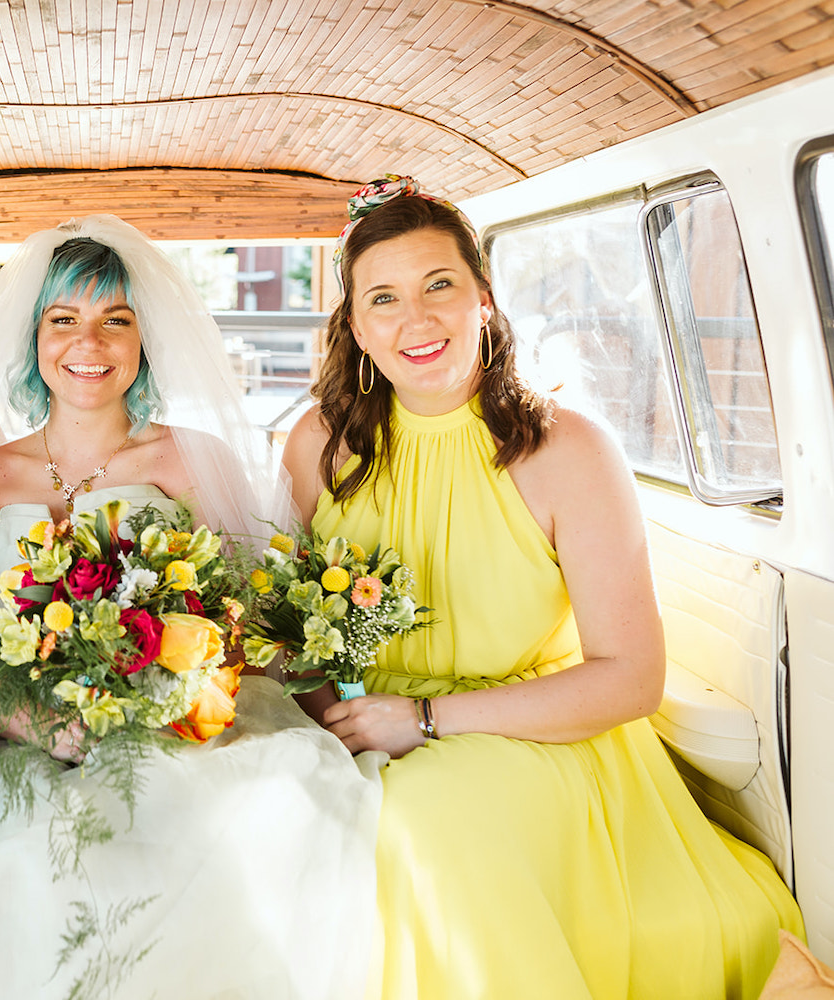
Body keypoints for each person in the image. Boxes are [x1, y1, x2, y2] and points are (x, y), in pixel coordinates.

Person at [280, 175, 805, 999]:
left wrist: (422, 720)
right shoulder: (318, 445)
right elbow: (293, 629)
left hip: (541, 737)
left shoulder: (568, 452)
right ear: (355, 326)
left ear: (484, 298)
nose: (415, 319)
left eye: (439, 286)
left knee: (423, 822)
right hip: (368, 726)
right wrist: (328, 719)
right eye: (383, 298)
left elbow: (631, 679)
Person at [0, 216, 384, 999]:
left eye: (117, 320)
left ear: (146, 340)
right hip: (29, 731)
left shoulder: (188, 459)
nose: (91, 343)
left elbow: (239, 614)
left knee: (225, 844)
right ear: (33, 341)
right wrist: (49, 728)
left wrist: (178, 702)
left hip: (190, 724)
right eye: (64, 319)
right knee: (17, 868)